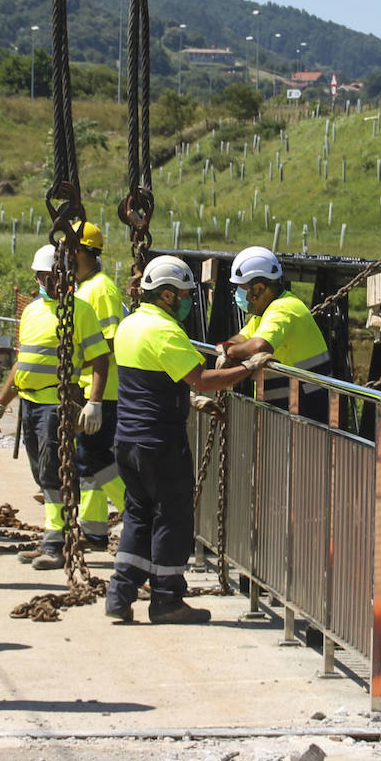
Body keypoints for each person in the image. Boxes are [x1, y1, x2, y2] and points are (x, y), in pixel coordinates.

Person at [107, 256, 268, 624]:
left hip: (128, 439)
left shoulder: (130, 325)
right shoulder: (164, 331)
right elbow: (201, 377)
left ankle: (120, 592)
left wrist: (191, 400)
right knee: (172, 515)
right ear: (166, 295)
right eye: (182, 294)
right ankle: (167, 600)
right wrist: (247, 368)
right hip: (160, 440)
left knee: (138, 513)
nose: (187, 301)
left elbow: (151, 379)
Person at [0, 244, 110, 570]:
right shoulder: (30, 312)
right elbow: (21, 363)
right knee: (42, 476)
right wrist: (1, 405)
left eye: (58, 275)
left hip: (55, 405)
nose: (53, 280)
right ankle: (54, 535)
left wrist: (94, 402)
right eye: (47, 275)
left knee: (55, 474)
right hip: (30, 405)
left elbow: (100, 359)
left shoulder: (80, 311)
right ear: (39, 276)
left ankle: (55, 543)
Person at [217, 247, 331, 423]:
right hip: (287, 411)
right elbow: (242, 338)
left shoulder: (283, 308)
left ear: (259, 288)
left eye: (241, 288)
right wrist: (229, 347)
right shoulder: (264, 313)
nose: (238, 295)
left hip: (306, 414)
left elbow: (259, 346)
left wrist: (231, 353)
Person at [69, 221, 128, 551]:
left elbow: (108, 344)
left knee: (97, 458)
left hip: (101, 392)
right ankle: (93, 531)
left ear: (82, 253)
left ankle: (135, 514)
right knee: (87, 461)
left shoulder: (100, 290)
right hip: (89, 388)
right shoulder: (83, 287)